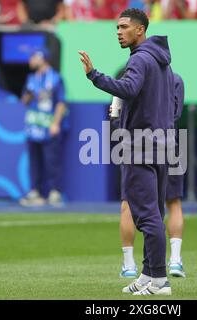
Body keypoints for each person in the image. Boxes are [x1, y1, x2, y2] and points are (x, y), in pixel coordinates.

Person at [79, 8, 175, 295]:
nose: (119, 32)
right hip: (162, 143)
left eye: (124, 27)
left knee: (146, 215)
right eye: (117, 28)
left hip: (140, 147)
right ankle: (148, 274)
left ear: (140, 30)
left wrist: (94, 76)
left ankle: (159, 281)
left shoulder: (140, 59)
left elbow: (128, 89)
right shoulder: (163, 63)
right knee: (155, 212)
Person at [119, 73, 186, 279]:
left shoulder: (131, 79)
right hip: (170, 142)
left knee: (128, 204)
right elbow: (175, 113)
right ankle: (174, 261)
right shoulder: (175, 79)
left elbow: (117, 115)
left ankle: (129, 264)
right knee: (172, 201)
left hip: (138, 145)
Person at [19, 49, 67, 207]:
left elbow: (60, 102)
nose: (30, 60)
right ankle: (35, 191)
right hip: (33, 125)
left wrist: (56, 123)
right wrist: (29, 94)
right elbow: (24, 101)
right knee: (34, 160)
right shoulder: (31, 78)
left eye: (33, 57)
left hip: (48, 125)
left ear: (41, 58)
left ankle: (54, 191)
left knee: (51, 160)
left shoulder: (55, 78)